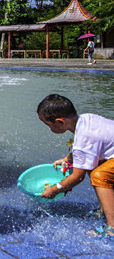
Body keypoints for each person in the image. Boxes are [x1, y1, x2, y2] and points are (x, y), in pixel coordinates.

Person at [37, 94, 114, 237]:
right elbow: (92, 148)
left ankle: (112, 228)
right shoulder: (86, 119)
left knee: (100, 175)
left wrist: (55, 189)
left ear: (60, 122)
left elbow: (78, 176)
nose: (49, 128)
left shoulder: (83, 140)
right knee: (94, 166)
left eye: (48, 125)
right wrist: (68, 159)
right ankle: (105, 210)